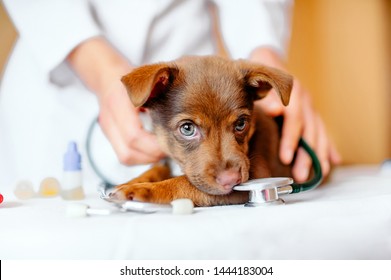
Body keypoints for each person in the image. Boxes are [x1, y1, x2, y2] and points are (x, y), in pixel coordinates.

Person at [0, 0, 340, 190]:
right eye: (189, 128)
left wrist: (262, 51)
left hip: (196, 73)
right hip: (58, 95)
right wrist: (100, 70)